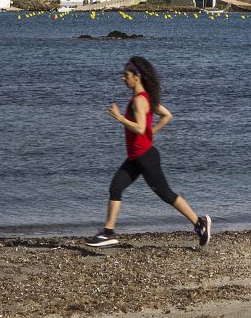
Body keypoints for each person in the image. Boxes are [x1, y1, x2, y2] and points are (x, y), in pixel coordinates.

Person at [86, 56, 211, 248]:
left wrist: (120, 118)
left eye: (126, 75)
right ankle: (108, 232)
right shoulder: (147, 99)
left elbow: (140, 128)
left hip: (145, 159)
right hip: (136, 157)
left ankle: (199, 223)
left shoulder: (139, 101)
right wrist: (152, 132)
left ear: (137, 77)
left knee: (166, 195)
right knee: (115, 187)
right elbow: (167, 115)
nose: (123, 78)